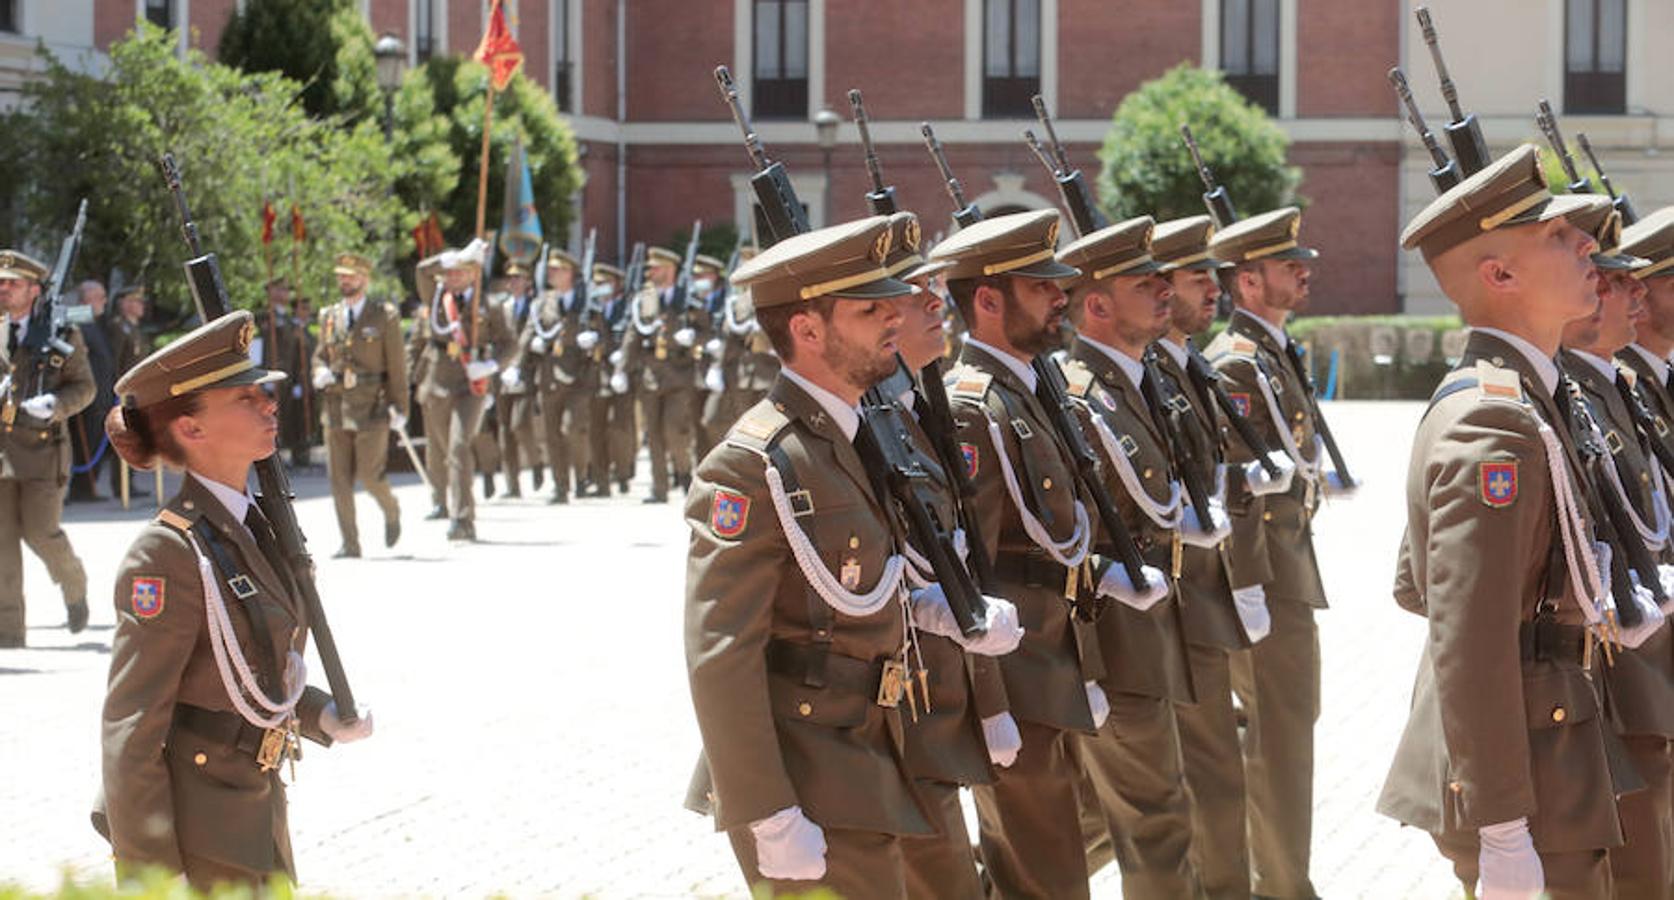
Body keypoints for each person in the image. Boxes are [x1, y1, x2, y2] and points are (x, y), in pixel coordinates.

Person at [1378, 144, 1625, 899]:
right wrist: (1501, 826)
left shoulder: (1528, 397)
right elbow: (1467, 630)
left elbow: (1415, 583)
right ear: (1500, 275)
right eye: (1556, 237)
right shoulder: (1494, 422)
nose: (1588, 243)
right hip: (1525, 771)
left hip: (1549, 739)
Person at [929, 210, 1166, 900]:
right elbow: (972, 569)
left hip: (1059, 655)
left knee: (1053, 858)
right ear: (989, 301)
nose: (1061, 296)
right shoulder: (975, 405)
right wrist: (992, 703)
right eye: (1042, 287)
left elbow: (1058, 535)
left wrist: (1104, 580)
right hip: (1018, 672)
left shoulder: (1036, 391)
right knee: (1046, 873)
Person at [93, 310, 373, 892]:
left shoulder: (251, 524)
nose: (269, 404)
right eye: (245, 397)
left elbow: (246, 668)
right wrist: (152, 879)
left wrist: (315, 711)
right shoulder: (168, 554)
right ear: (191, 429)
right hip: (199, 833)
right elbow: (131, 730)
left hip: (253, 806)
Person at [1054, 215, 1203, 896]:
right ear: (1097, 305)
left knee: (1094, 817)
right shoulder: (1080, 399)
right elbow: (1058, 537)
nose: (1164, 290)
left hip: (1151, 637)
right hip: (1108, 648)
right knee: (1158, 817)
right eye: (1146, 283)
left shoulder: (1142, 384)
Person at [1202, 205, 1341, 900]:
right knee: (1279, 742)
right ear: (1248, 284)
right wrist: (1249, 583)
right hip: (1266, 581)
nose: (1304, 271)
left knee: (1288, 735)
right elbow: (1236, 490)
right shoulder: (1237, 364)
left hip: (1289, 570)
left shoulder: (1273, 353)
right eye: (1289, 265)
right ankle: (1284, 888)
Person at [1150, 214, 1290, 899]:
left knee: (1215, 777)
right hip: (1166, 608)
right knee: (1165, 789)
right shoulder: (1151, 374)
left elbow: (1222, 485)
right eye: (1194, 276)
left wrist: (1246, 578)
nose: (1212, 288)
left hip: (1208, 598)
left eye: (1211, 275)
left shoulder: (1188, 366)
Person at [1553, 211, 1674, 900]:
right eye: (1617, 281)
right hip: (1612, 670)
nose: (1638, 296)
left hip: (1643, 657)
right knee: (1634, 861)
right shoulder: (1571, 396)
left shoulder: (1613, 388)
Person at [0, 250, 94, 645]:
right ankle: (8, 631)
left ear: (34, 290)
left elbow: (85, 387)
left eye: (13, 284)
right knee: (1, 542)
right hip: (2, 451)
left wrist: (56, 406)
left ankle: (74, 585)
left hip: (42, 450)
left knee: (41, 532)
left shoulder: (62, 333)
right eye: (1, 284)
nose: (4, 290)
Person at [411, 240, 515, 541]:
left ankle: (462, 518)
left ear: (474, 274)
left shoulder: (489, 304)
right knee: (445, 450)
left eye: (460, 272)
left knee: (458, 447)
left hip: (472, 384)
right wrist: (450, 255)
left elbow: (510, 343)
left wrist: (492, 365)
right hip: (439, 381)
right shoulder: (436, 297)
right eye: (449, 273)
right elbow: (421, 271)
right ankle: (451, 506)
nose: (453, 277)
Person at [310, 252, 407, 559]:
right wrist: (318, 371)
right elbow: (320, 355)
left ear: (365, 279)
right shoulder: (328, 315)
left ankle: (391, 509)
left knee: (369, 475)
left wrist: (400, 407)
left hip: (372, 405)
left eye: (350, 276)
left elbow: (397, 366)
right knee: (338, 480)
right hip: (336, 404)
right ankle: (350, 543)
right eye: (341, 276)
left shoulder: (384, 315)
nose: (344, 281)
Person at [627, 247, 703, 503]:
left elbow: (706, 330)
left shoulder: (688, 297)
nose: (651, 271)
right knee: (654, 434)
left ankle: (683, 471)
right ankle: (659, 488)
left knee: (674, 430)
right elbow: (633, 335)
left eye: (656, 267)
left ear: (670, 269)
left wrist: (693, 339)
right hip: (650, 375)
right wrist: (621, 369)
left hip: (680, 374)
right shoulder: (643, 299)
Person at [523, 249, 594, 504]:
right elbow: (530, 331)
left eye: (558, 269)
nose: (551, 273)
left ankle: (582, 474)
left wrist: (595, 342)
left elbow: (606, 332)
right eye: (551, 269)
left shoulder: (587, 300)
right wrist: (524, 355)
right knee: (552, 434)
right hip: (550, 375)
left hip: (579, 377)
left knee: (573, 428)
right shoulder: (543, 301)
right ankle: (561, 486)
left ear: (571, 273)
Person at [495, 263, 543, 499]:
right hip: (502, 375)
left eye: (518, 277)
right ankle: (512, 485)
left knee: (520, 424)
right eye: (510, 277)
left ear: (528, 282)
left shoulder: (534, 307)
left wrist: (516, 364)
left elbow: (526, 336)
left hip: (525, 373)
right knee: (504, 431)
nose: (513, 282)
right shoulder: (502, 307)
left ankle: (535, 461)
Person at [67, 279, 116, 502]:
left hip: (102, 395)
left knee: (95, 442)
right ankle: (82, 490)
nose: (104, 301)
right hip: (88, 398)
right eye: (101, 296)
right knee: (85, 443)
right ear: (88, 299)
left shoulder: (93, 322)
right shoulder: (78, 319)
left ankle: (88, 488)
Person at [592, 263, 637, 495]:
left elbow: (633, 334)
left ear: (617, 285)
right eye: (597, 283)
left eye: (605, 283)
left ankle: (623, 472)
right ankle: (601, 481)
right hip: (597, 374)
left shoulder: (628, 307)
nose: (600, 288)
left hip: (623, 373)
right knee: (596, 429)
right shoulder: (592, 308)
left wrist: (625, 359)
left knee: (620, 427)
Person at [259, 278, 314, 469]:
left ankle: (284, 455)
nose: (284, 293)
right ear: (270, 292)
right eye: (279, 289)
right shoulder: (265, 318)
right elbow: (262, 348)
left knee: (287, 418)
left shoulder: (290, 322)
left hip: (287, 379)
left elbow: (297, 354)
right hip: (270, 377)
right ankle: (271, 459)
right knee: (271, 418)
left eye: (286, 290)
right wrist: (262, 375)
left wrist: (299, 379)